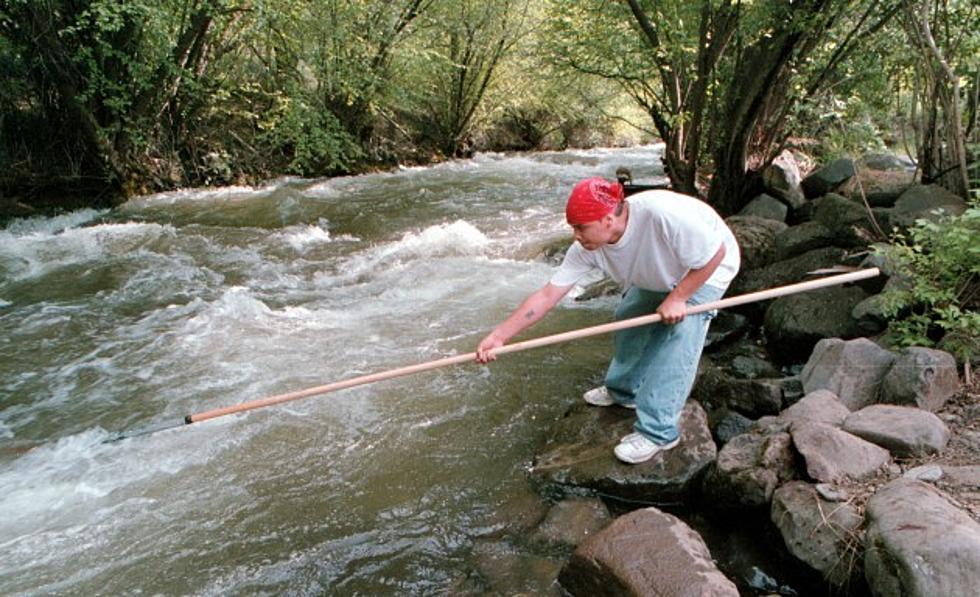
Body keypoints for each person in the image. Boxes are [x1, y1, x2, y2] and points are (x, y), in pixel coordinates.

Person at [476, 177, 740, 464]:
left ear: (606, 220)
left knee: (680, 335)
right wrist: (499, 336)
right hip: (658, 272)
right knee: (628, 315)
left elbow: (715, 253)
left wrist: (678, 298)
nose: (576, 235)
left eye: (580, 227)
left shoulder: (661, 215)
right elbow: (547, 296)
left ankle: (659, 432)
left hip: (707, 269)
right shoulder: (587, 248)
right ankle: (624, 390)